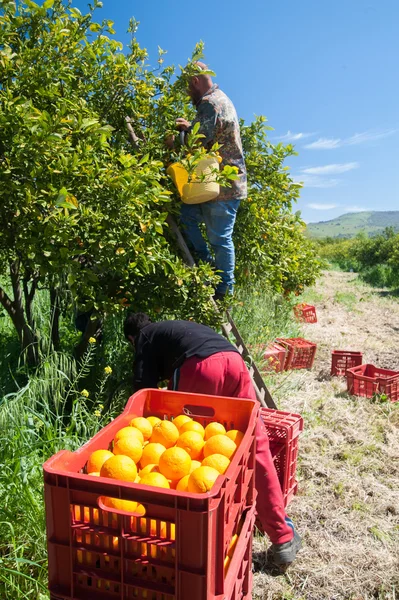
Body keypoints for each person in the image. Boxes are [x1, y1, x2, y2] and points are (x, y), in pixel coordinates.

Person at [124, 312, 302, 566]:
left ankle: (208, 536)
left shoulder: (143, 337)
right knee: (254, 443)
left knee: (192, 445)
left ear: (132, 338)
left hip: (199, 368)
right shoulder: (173, 328)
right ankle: (282, 536)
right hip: (234, 362)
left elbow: (143, 390)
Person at [174, 62, 247, 301]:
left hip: (222, 185)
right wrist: (189, 127)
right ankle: (210, 270)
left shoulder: (209, 102)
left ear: (195, 81)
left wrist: (174, 140)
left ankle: (224, 289)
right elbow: (206, 131)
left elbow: (197, 141)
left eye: (188, 88)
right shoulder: (218, 99)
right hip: (212, 183)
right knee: (188, 217)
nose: (188, 94)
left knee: (219, 237)